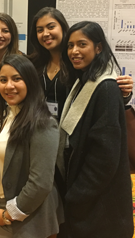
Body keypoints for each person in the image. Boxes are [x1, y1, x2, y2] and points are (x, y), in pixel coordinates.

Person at [57, 21, 134, 238]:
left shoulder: (106, 87)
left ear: (98, 48)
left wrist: (76, 196)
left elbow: (104, 156)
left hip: (98, 206)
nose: (74, 51)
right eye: (70, 45)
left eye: (82, 44)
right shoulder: (83, 80)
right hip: (86, 201)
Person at [0, 54, 64, 238]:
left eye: (17, 79)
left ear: (30, 82)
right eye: (3, 80)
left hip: (29, 214)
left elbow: (40, 183)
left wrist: (10, 214)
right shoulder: (1, 116)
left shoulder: (43, 123)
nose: (9, 86)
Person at [29, 7, 133, 120]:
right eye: (40, 30)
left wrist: (125, 93)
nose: (45, 33)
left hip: (71, 131)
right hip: (39, 129)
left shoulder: (78, 62)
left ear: (62, 28)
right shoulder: (33, 63)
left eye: (51, 27)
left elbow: (101, 96)